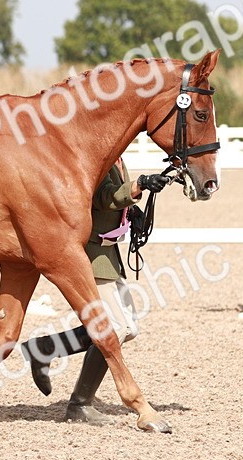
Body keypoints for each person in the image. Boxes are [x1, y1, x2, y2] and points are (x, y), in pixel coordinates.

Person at [19, 160, 171, 424]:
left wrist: (132, 209)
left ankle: (44, 348)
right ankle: (80, 404)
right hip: (93, 253)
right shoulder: (99, 154)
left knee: (129, 328)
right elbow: (102, 197)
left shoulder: (119, 156)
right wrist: (138, 185)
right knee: (116, 328)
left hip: (108, 254)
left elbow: (114, 198)